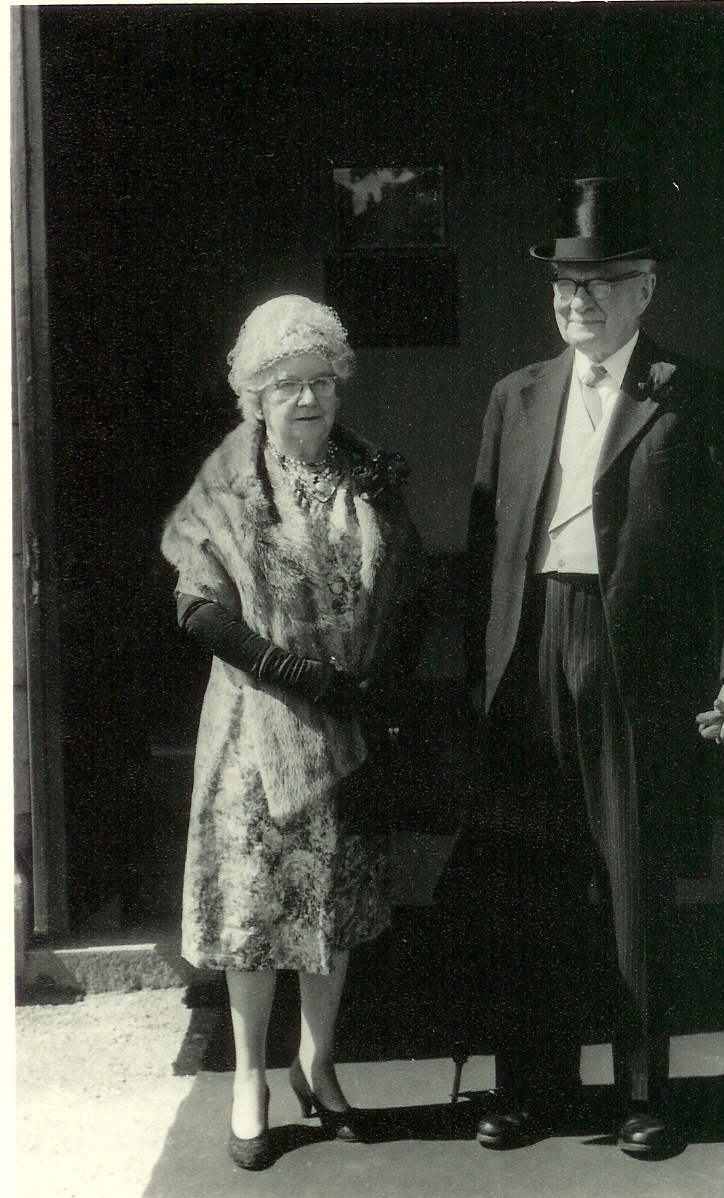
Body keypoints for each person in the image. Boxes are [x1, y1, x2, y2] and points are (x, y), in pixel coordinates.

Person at [452, 176, 724, 1156]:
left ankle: (643, 1092)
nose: (576, 299)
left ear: (645, 289)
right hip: (528, 647)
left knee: (634, 876)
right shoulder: (514, 396)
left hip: (635, 655)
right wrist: (478, 675)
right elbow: (483, 548)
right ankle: (530, 1085)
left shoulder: (694, 394)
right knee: (527, 873)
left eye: (598, 282)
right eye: (564, 283)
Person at [161, 295, 423, 1169]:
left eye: (321, 381)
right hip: (256, 732)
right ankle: (250, 1079)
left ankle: (318, 1063)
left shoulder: (366, 473)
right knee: (254, 909)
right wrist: (295, 674)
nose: (308, 399)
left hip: (345, 726)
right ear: (255, 396)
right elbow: (197, 607)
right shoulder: (230, 479)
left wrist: (377, 683)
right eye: (286, 385)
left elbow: (408, 585)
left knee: (332, 903)